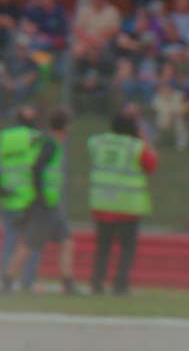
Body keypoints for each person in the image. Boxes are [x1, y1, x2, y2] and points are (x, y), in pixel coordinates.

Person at [4, 110, 76, 293]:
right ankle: (8, 280)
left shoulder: (45, 141)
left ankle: (68, 283)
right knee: (28, 246)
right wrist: (40, 193)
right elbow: (36, 167)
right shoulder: (50, 145)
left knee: (67, 241)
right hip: (43, 204)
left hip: (50, 203)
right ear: (65, 128)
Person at [86, 110, 155, 296]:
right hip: (127, 205)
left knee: (102, 248)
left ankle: (97, 284)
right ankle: (120, 285)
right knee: (127, 248)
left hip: (102, 202)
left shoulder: (97, 142)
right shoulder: (136, 146)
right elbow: (152, 165)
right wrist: (145, 139)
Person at [0, 106, 40, 288]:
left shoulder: (4, 137)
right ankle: (27, 280)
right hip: (30, 198)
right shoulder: (36, 137)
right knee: (32, 242)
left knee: (10, 239)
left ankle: (6, 277)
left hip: (8, 196)